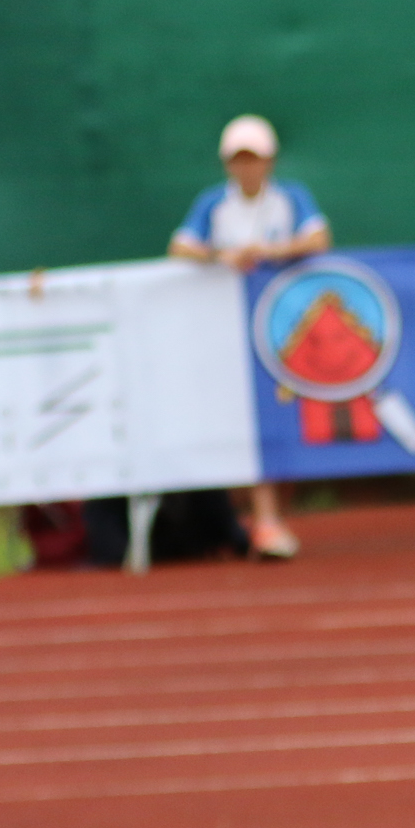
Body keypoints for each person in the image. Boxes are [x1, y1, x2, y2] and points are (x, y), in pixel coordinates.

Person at [167, 113, 329, 561]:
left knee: (276, 418)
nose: (247, 168)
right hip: (224, 334)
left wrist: (268, 252)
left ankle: (266, 518)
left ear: (269, 160)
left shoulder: (290, 198)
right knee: (239, 420)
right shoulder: (213, 204)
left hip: (283, 332)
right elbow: (180, 247)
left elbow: (318, 240)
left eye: (254, 158)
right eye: (238, 159)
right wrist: (223, 256)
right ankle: (257, 520)